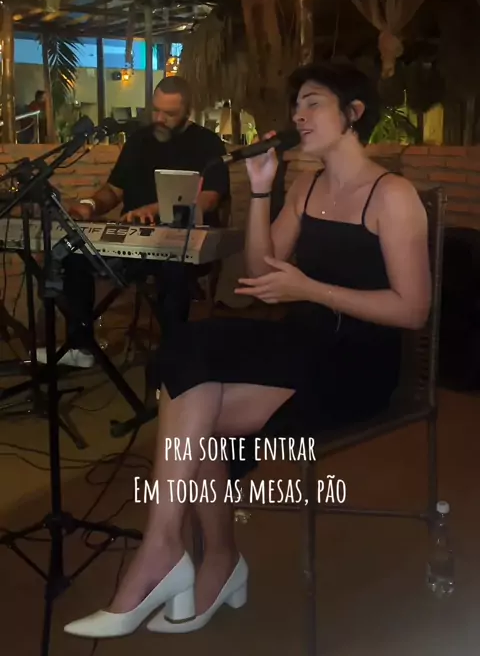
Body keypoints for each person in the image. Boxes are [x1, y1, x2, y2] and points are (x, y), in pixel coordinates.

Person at [64, 61, 431, 639]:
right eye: (296, 105)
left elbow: (413, 311)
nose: (298, 116)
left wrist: (310, 289)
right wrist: (261, 190)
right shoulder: (306, 187)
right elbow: (258, 273)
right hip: (303, 337)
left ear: (354, 112)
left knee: (195, 409)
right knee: (191, 347)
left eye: (313, 103)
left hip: (359, 361)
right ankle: (172, 549)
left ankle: (203, 559)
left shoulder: (394, 195)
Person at [36, 76, 230, 368]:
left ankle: (174, 358)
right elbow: (114, 191)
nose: (160, 119)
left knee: (173, 269)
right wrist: (91, 205)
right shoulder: (139, 140)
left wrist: (157, 209)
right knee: (73, 254)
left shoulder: (207, 143)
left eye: (169, 113)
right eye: (156, 110)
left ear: (188, 111)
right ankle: (82, 346)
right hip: (134, 240)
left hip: (183, 243)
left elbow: (211, 198)